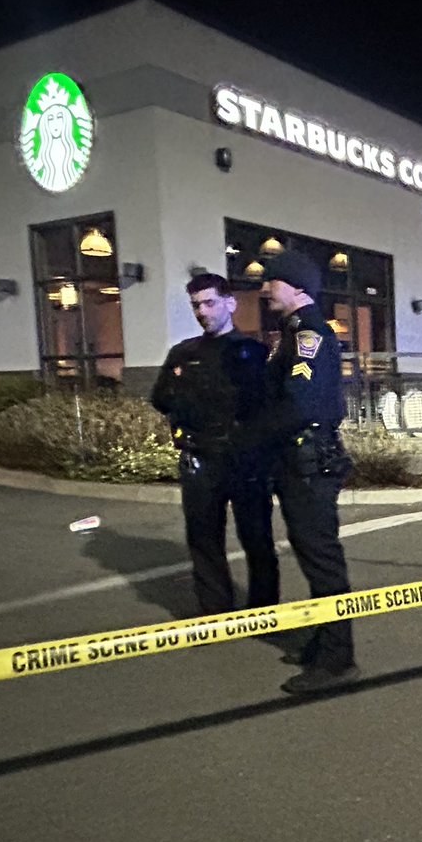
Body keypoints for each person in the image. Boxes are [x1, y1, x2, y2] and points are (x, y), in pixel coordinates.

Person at [256, 250, 358, 694]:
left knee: (322, 560)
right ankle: (323, 639)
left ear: (297, 287)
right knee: (312, 557)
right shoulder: (294, 332)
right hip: (299, 461)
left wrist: (248, 434)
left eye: (271, 281)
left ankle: (338, 660)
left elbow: (299, 403)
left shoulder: (309, 334)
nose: (264, 289)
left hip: (309, 463)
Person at [150, 272, 278, 615]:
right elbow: (160, 398)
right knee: (204, 539)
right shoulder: (183, 353)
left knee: (257, 538)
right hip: (200, 459)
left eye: (209, 302)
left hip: (246, 460)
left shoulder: (254, 352)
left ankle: (265, 613)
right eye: (196, 305)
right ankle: (215, 612)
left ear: (230, 303)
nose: (202, 311)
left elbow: (270, 406)